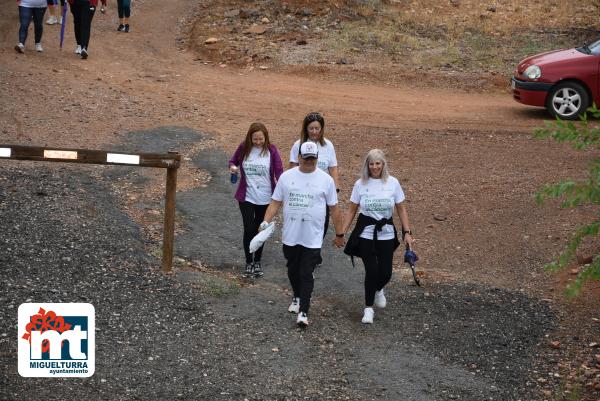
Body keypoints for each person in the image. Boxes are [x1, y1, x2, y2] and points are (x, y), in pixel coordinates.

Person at [262, 142, 345, 327]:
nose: (309, 161)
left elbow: (335, 209)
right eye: (306, 158)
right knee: (293, 269)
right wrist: (265, 222)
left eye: (312, 158)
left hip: (313, 236)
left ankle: (303, 312)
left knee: (306, 272)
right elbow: (275, 202)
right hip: (291, 234)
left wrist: (339, 233)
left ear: (317, 158)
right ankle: (297, 296)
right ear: (299, 157)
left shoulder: (326, 180)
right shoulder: (286, 177)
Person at [341, 149, 414, 324]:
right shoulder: (360, 184)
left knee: (386, 273)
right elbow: (352, 209)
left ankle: (379, 289)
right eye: (371, 163)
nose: (375, 167)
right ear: (367, 165)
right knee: (371, 271)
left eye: (378, 163)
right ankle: (368, 309)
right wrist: (341, 233)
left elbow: (401, 208)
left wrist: (407, 232)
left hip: (386, 233)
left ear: (383, 164)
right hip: (366, 233)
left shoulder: (393, 183)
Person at [229, 123, 283, 278]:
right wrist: (233, 167)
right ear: (250, 137)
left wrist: (282, 189)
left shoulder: (271, 150)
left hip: (266, 197)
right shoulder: (244, 147)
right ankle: (248, 262)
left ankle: (257, 261)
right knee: (248, 228)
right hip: (247, 196)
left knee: (261, 229)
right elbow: (233, 161)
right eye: (255, 139)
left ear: (265, 137)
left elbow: (279, 171)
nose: (258, 142)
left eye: (261, 139)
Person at [289, 112, 340, 239]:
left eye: (317, 128)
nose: (314, 131)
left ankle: (315, 247)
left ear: (322, 129)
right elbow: (292, 167)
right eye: (311, 128)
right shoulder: (298, 145)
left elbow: (332, 168)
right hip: (302, 191)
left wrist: (335, 186)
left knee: (322, 222)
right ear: (306, 129)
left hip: (321, 190)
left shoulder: (328, 145)